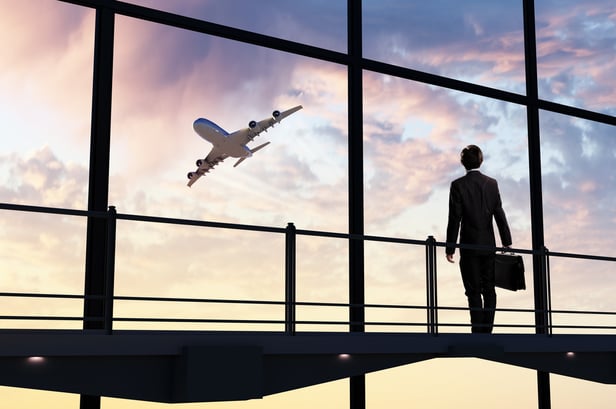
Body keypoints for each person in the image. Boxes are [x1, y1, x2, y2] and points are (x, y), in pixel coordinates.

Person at [445, 145, 512, 333]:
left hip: (469, 245)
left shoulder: (458, 185)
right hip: (488, 246)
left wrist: (450, 247)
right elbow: (499, 213)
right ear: (481, 160)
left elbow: (454, 218)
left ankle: (477, 331)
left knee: (473, 290)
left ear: (462, 162)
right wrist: (506, 240)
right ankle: (487, 331)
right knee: (489, 289)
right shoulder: (492, 184)